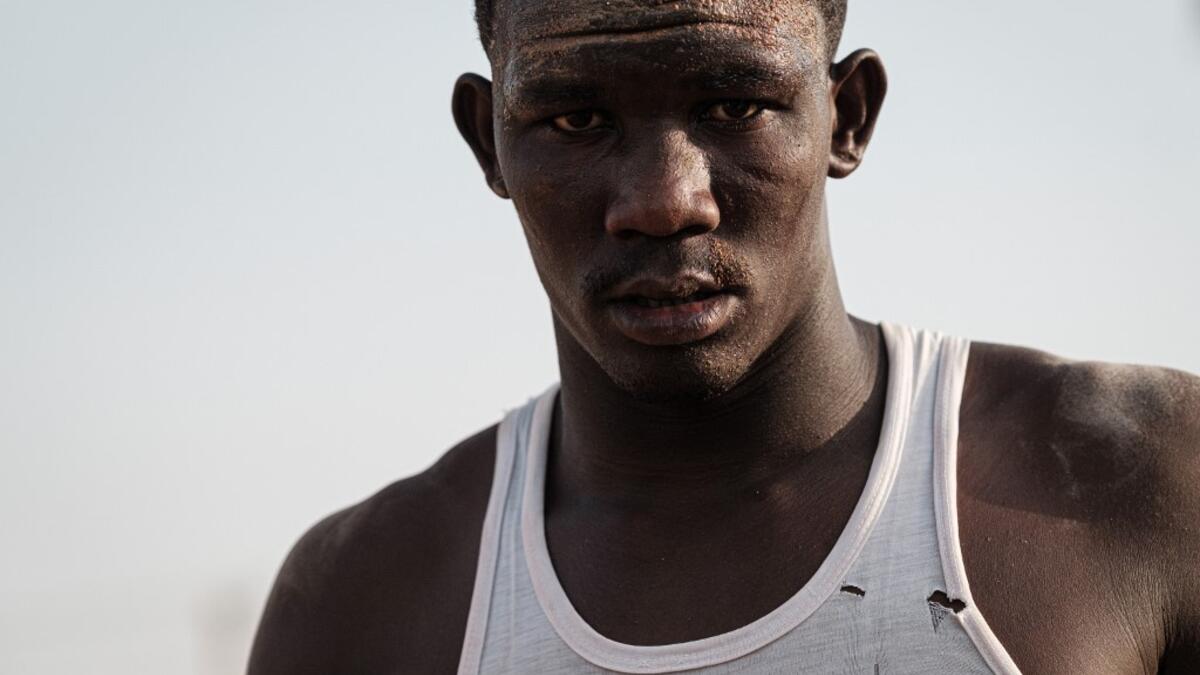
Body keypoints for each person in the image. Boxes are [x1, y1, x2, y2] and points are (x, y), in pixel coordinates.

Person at [247, 1, 1200, 673]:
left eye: (734, 105)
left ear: (847, 115)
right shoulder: (359, 606)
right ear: (488, 140)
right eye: (577, 119)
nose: (666, 200)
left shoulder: (1147, 487)